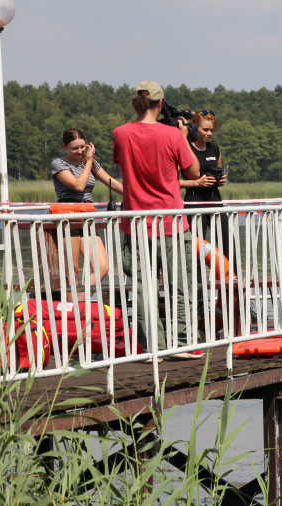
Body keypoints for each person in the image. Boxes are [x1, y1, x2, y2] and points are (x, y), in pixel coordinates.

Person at [112, 80, 202, 358]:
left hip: (135, 223)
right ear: (160, 103)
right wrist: (184, 137)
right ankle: (185, 342)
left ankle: (154, 345)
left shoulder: (120, 134)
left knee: (142, 289)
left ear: (135, 103)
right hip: (171, 222)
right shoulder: (173, 136)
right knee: (179, 285)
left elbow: (122, 166)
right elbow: (194, 172)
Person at [50, 128, 124, 287]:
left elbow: (111, 181)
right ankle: (72, 309)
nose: (79, 151)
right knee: (73, 270)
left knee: (103, 267)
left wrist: (133, 194)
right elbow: (78, 186)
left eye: (82, 147)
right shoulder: (58, 163)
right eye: (74, 148)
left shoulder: (90, 162)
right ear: (64, 147)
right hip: (68, 216)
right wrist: (89, 161)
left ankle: (81, 303)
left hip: (87, 217)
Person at [179, 110, 230, 257]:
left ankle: (233, 276)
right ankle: (197, 279)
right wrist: (196, 183)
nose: (209, 133)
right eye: (205, 129)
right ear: (195, 127)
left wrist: (220, 180)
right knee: (196, 245)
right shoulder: (185, 147)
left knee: (226, 240)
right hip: (194, 201)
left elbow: (218, 169)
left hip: (215, 200)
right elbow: (171, 182)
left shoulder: (214, 148)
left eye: (212, 130)